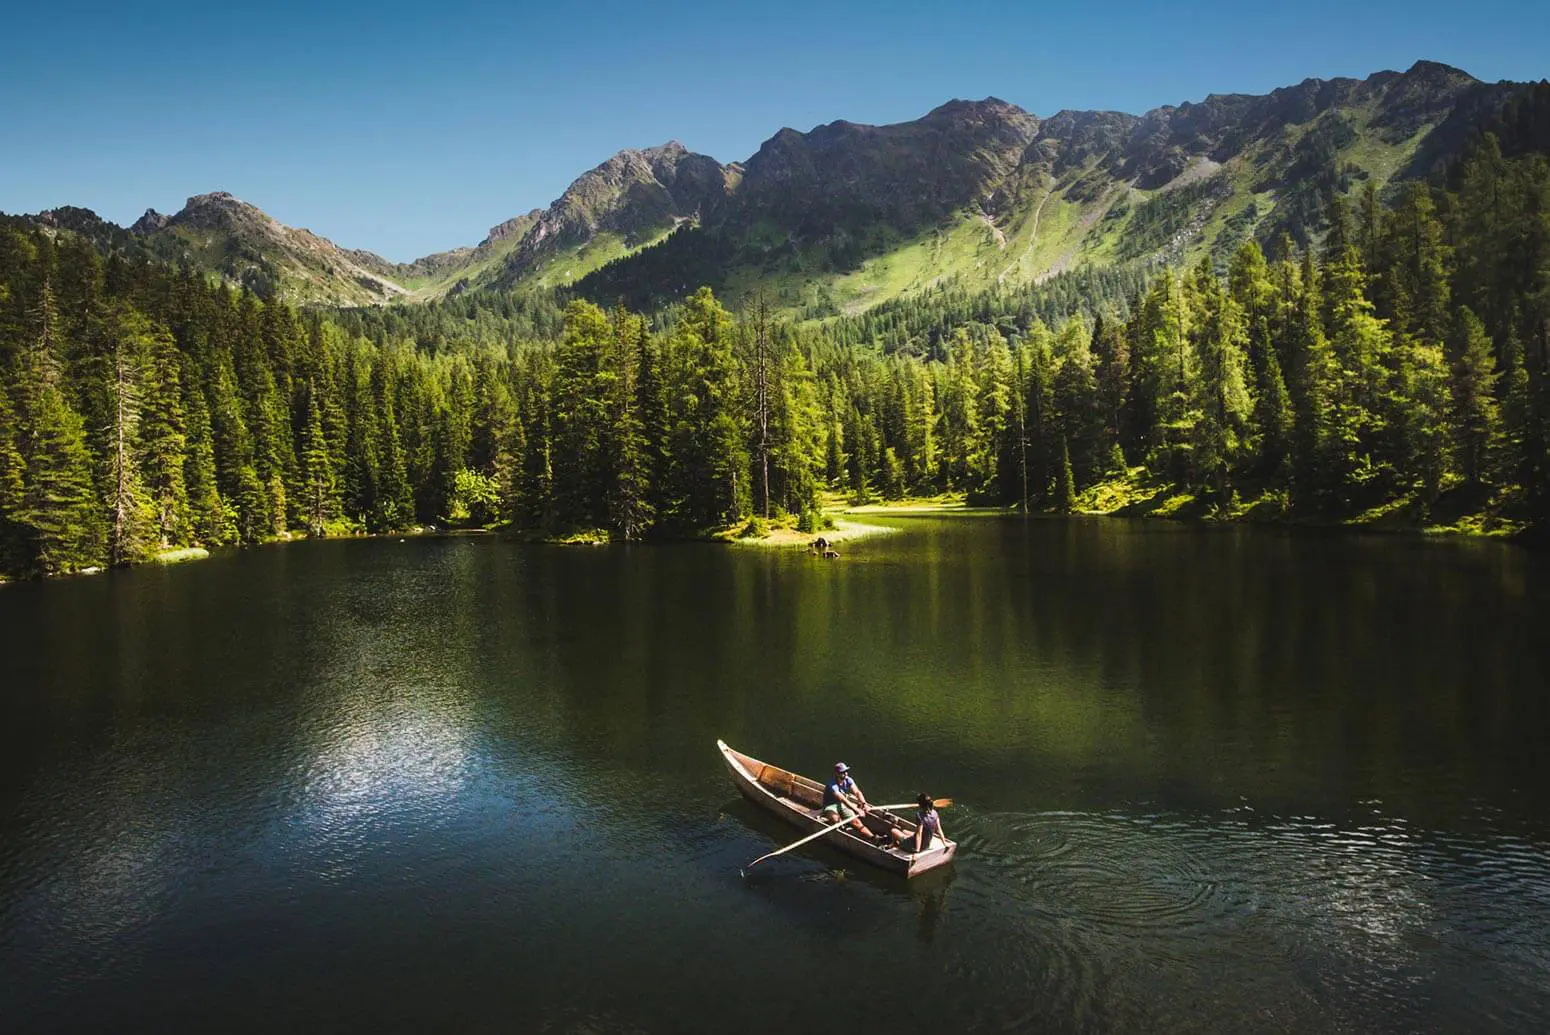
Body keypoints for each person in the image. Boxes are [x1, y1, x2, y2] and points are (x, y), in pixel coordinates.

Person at [822, 762, 881, 841]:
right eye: (843, 772)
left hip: (842, 805)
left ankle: (874, 838)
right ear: (837, 773)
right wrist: (857, 810)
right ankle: (842, 829)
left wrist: (864, 804)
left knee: (856, 821)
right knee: (836, 820)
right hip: (830, 806)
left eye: (846, 771)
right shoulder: (832, 784)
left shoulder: (848, 780)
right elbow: (843, 799)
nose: (845, 774)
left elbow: (857, 792)